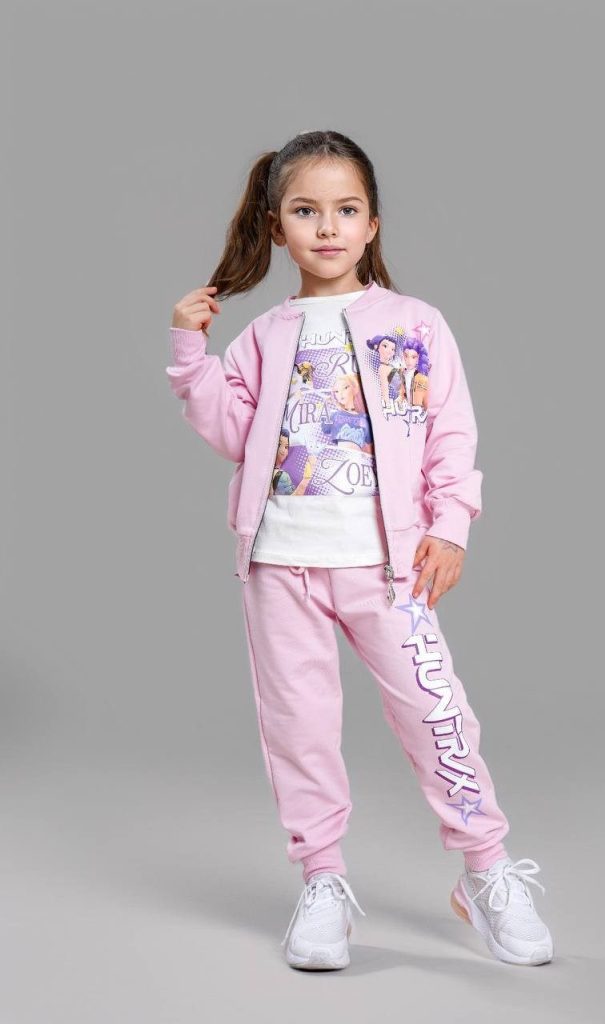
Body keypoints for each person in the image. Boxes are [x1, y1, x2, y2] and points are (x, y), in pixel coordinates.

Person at [165, 129, 554, 972]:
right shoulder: (264, 335)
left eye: (346, 210)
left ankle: (485, 870)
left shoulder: (415, 325)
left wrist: (451, 525)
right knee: (299, 729)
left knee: (437, 716)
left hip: (390, 568)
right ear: (278, 227)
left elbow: (451, 432)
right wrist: (192, 356)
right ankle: (322, 881)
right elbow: (234, 434)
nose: (328, 227)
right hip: (281, 566)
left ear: (373, 224)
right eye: (306, 211)